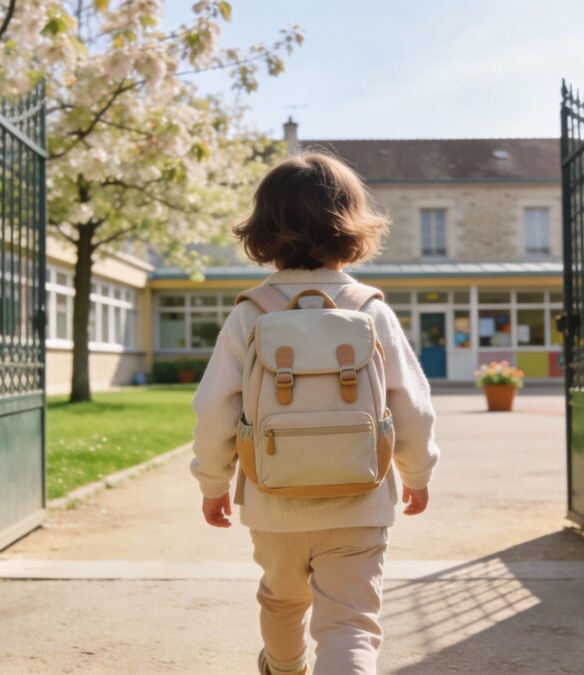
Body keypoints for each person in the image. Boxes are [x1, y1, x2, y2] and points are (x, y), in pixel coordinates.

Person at [190, 152, 440, 675]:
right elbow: (410, 404)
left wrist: (213, 483)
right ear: (353, 226)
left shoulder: (249, 313)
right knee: (350, 622)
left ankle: (284, 669)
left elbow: (215, 408)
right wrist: (417, 473)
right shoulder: (370, 309)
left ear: (263, 229)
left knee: (281, 601)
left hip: (272, 497)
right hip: (360, 497)